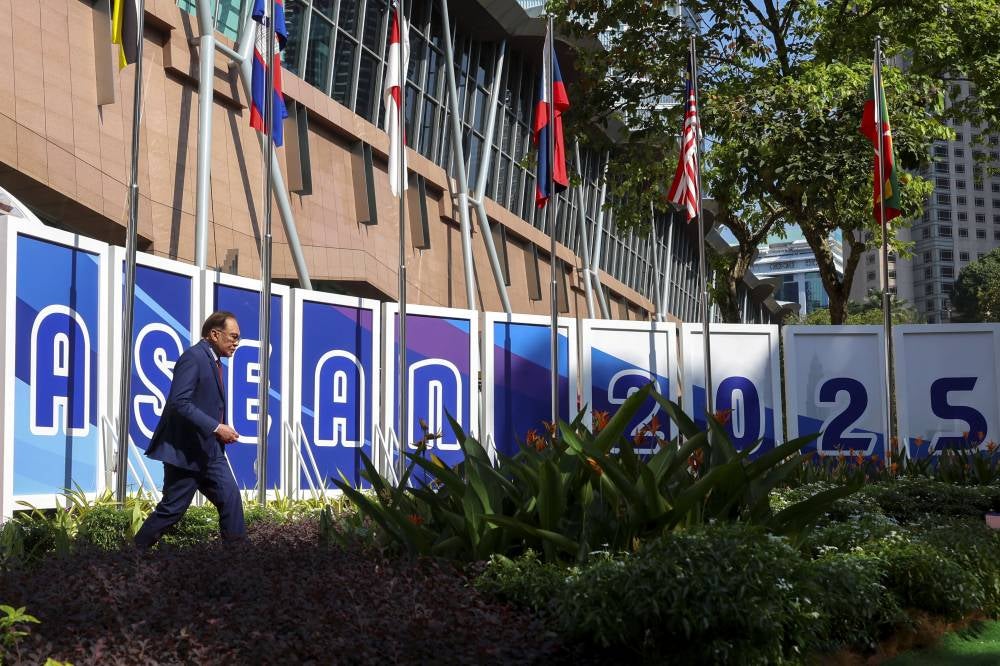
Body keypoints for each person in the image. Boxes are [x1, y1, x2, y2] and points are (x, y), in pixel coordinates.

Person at [134, 311, 246, 549]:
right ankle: (128, 557)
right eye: (233, 336)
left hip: (209, 452)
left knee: (231, 499)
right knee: (171, 511)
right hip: (186, 453)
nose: (237, 343)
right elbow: (179, 402)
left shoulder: (212, 360)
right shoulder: (193, 358)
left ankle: (238, 564)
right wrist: (216, 427)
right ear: (215, 334)